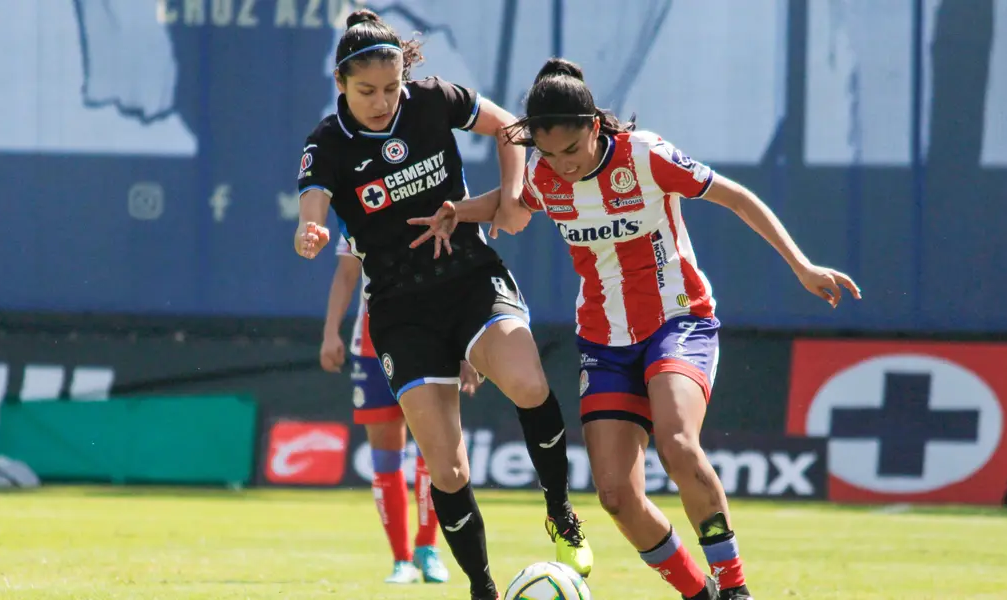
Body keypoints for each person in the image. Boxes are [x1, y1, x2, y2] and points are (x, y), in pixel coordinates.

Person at [410, 58, 862, 600]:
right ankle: (701, 594)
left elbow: (736, 197)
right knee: (616, 496)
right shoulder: (543, 175)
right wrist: (459, 211)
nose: (562, 165)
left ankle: (736, 588)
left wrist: (802, 266)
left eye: (571, 151)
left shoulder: (645, 156)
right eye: (548, 153)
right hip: (603, 341)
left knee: (676, 443)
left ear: (594, 127)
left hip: (679, 321)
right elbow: (512, 205)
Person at [293, 12, 593, 599]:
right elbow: (314, 200)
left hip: (469, 277)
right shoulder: (327, 142)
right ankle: (482, 587)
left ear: (407, 76)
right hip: (401, 311)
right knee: (448, 469)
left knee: (530, 386)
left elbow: (510, 127)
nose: (382, 101)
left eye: (391, 87)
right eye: (366, 91)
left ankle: (560, 512)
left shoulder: (432, 101)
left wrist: (509, 198)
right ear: (340, 84)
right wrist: (311, 231)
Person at [320, 235, 479, 584]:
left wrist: (466, 346)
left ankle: (428, 546)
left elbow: (459, 276)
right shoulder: (357, 199)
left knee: (435, 447)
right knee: (385, 451)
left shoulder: (437, 193)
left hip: (431, 339)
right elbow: (347, 273)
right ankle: (401, 559)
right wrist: (331, 331)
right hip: (372, 343)